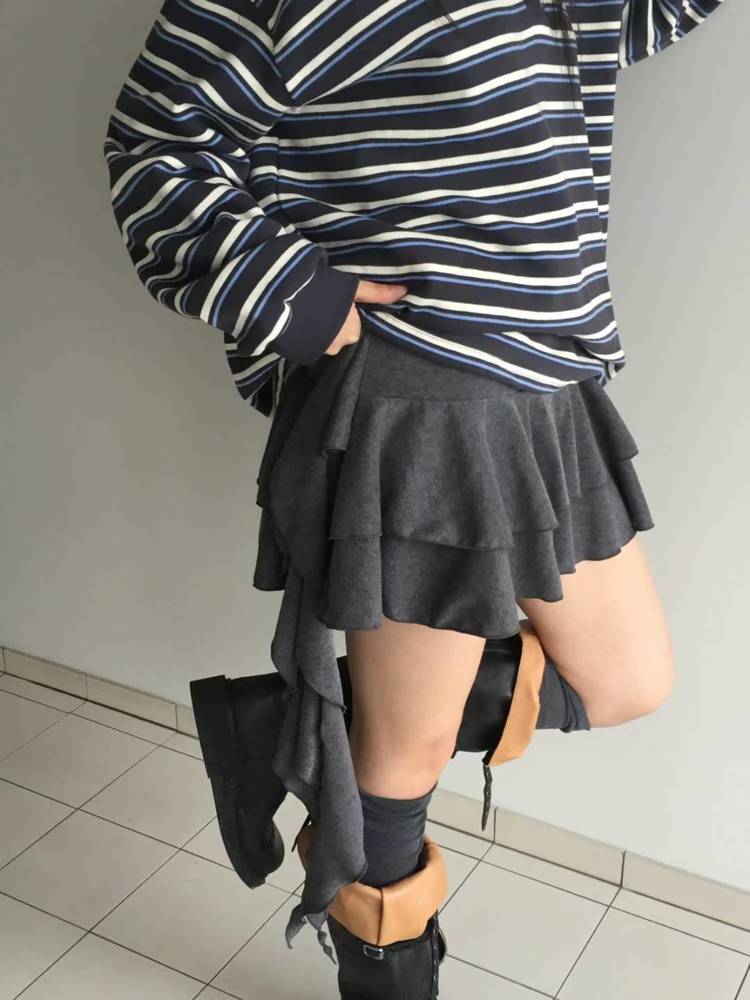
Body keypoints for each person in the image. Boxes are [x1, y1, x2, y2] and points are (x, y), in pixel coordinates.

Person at [102, 0, 726, 995]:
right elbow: (156, 150)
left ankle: (285, 727)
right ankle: (385, 958)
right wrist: (297, 296)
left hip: (548, 379)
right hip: (419, 392)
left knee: (626, 679)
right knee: (406, 753)